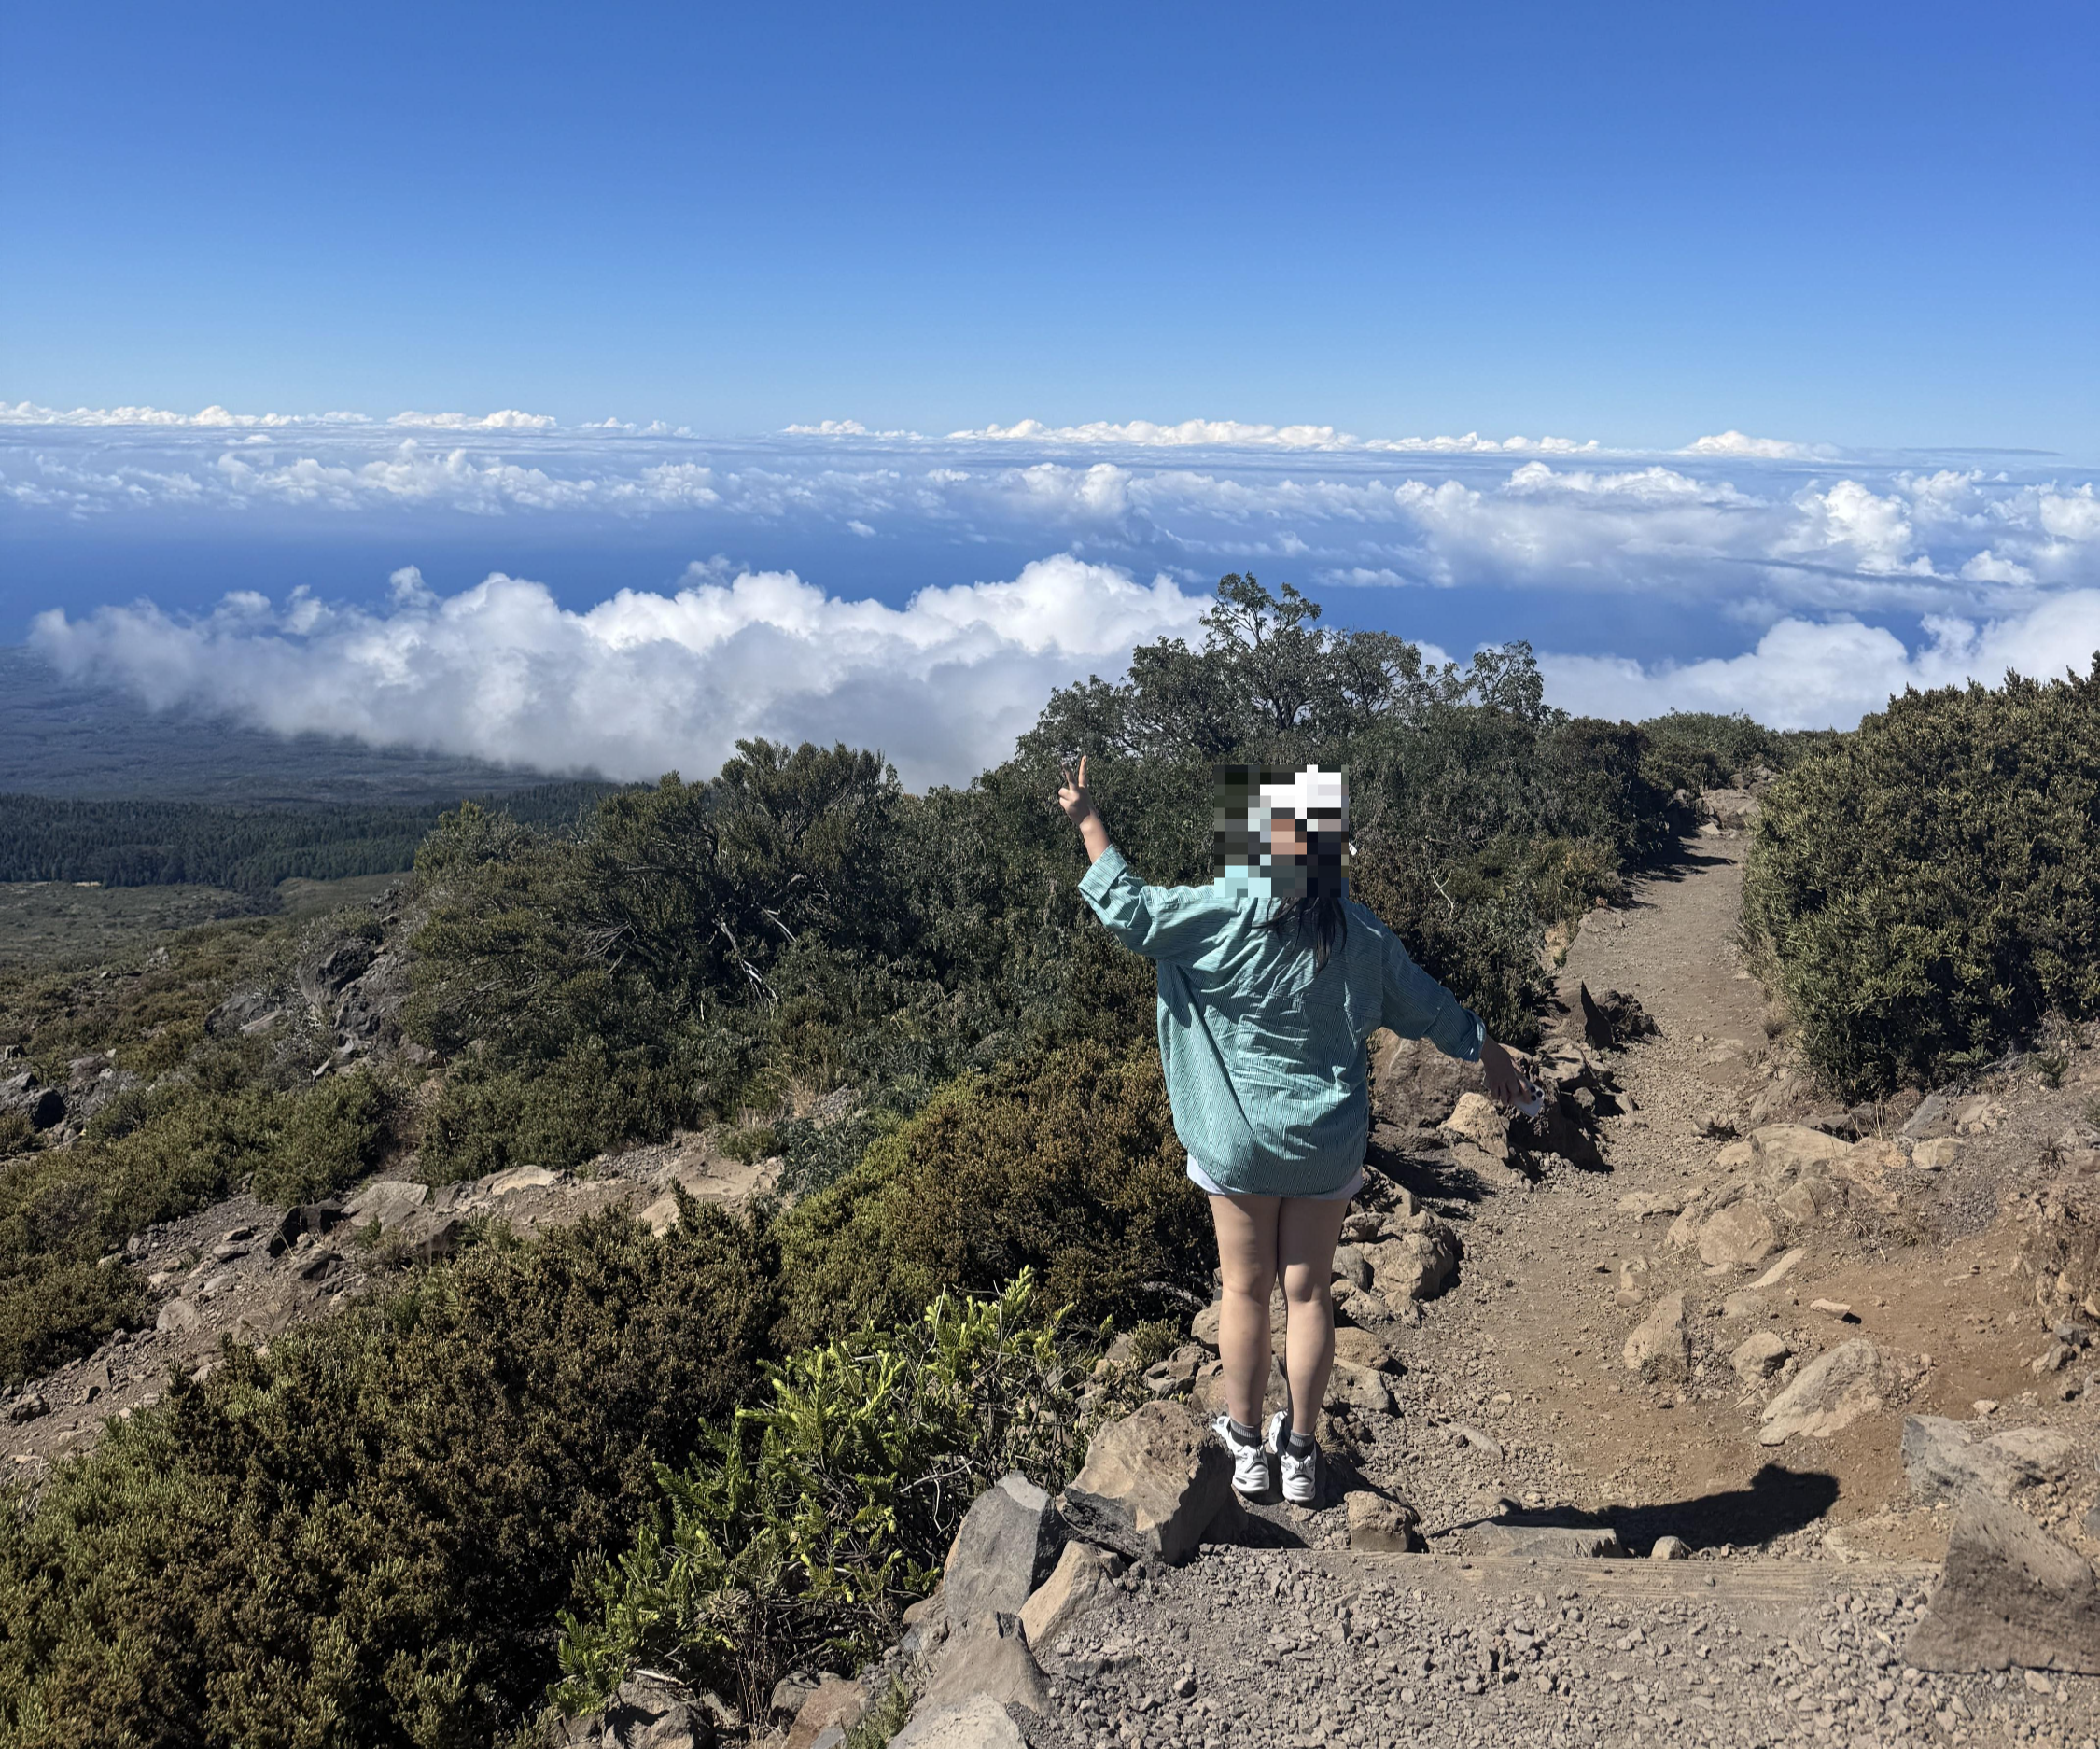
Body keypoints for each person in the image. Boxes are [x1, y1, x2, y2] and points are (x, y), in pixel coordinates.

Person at [1057, 757, 1533, 1504]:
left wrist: (1089, 819)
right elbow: (1425, 1003)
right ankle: (1302, 1453)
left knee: (1244, 1290)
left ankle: (1246, 1447)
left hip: (1238, 1141)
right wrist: (1487, 1047)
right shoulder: (1360, 931)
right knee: (1309, 1295)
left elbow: (1133, 912)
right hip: (1325, 1144)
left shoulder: (1221, 911)